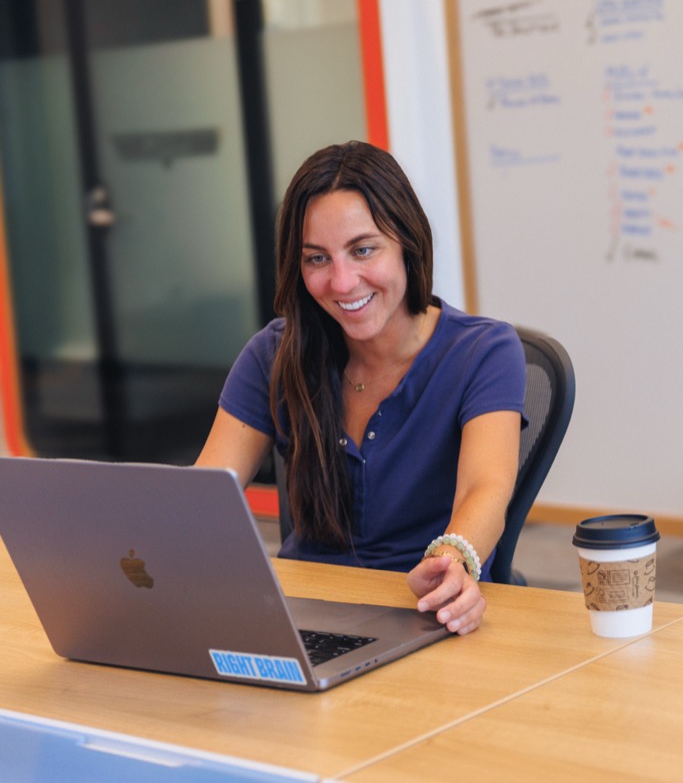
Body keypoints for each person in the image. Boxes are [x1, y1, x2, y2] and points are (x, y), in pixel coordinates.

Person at [196, 141, 525, 636]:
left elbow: (486, 487)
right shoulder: (274, 353)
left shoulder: (485, 351)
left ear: (407, 244)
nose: (342, 282)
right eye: (316, 259)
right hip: (302, 614)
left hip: (425, 613)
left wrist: (453, 559)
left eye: (363, 249)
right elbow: (203, 499)